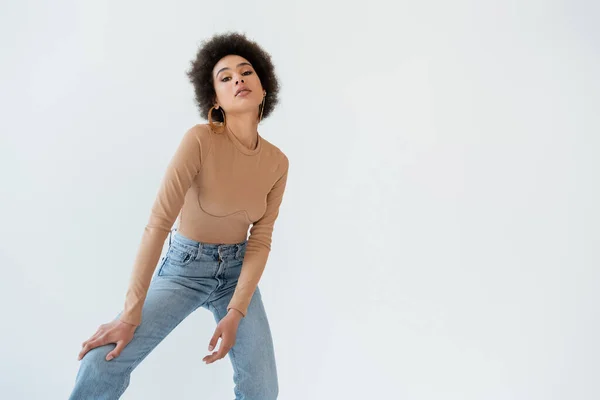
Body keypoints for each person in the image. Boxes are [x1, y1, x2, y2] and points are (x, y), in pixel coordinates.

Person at [68, 31, 289, 400]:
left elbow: (261, 240)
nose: (238, 79)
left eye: (246, 72)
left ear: (264, 88)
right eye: (225, 77)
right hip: (186, 266)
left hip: (237, 271)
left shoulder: (277, 163)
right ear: (214, 99)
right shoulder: (199, 140)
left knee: (262, 389)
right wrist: (129, 315)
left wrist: (236, 311)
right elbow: (158, 224)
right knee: (101, 361)